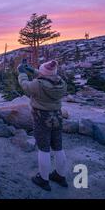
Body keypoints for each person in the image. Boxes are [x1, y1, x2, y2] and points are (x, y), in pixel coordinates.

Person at [17, 59, 68, 191]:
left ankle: (43, 179)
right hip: (57, 116)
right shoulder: (61, 82)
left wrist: (22, 73)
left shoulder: (37, 84)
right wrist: (31, 69)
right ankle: (60, 176)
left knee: (43, 148)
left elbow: (25, 85)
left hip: (42, 118)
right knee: (58, 147)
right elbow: (47, 75)